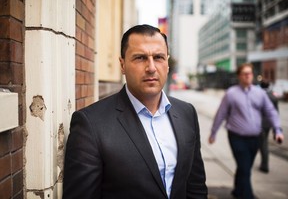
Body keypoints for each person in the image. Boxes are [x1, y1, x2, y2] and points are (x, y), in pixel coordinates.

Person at [63, 24, 208, 199]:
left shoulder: (187, 113)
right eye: (140, 58)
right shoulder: (90, 124)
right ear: (122, 64)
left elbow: (195, 186)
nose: (152, 67)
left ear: (167, 63)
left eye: (159, 57)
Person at [208, 63, 284, 199]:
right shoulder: (231, 93)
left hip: (255, 138)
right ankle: (247, 195)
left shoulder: (259, 93)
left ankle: (237, 190)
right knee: (244, 166)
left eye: (250, 73)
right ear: (239, 76)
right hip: (237, 137)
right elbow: (221, 113)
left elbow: (270, 111)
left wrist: (277, 130)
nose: (248, 75)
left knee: (245, 167)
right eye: (245, 73)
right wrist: (213, 133)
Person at [258, 80, 279, 173]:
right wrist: (276, 129)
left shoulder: (259, 95)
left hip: (260, 124)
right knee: (264, 142)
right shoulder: (273, 96)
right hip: (268, 124)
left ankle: (264, 165)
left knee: (262, 144)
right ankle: (264, 164)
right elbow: (276, 113)